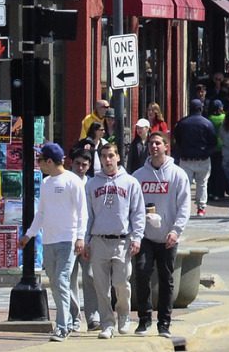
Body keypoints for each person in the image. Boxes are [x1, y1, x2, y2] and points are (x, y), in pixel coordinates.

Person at [19, 142, 87, 343]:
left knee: (61, 280)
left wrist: (80, 237)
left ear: (49, 161)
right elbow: (41, 213)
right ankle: (73, 316)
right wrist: (29, 235)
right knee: (56, 283)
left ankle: (62, 326)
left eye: (40, 159)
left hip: (68, 239)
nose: (38, 163)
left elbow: (82, 212)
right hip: (49, 240)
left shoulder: (72, 181)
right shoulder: (47, 183)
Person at [83, 142, 144, 339]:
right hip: (99, 239)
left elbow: (138, 213)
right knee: (101, 286)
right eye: (103, 156)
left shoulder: (130, 182)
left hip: (122, 240)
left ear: (118, 157)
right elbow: (87, 215)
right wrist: (85, 240)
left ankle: (124, 314)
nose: (107, 160)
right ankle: (107, 323)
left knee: (121, 282)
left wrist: (137, 237)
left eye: (111, 156)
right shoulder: (92, 184)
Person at [132, 132, 190, 338]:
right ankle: (144, 319)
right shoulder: (139, 176)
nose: (154, 146)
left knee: (166, 279)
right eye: (151, 143)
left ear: (166, 147)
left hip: (168, 236)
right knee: (141, 273)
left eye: (158, 143)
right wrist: (136, 232)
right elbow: (133, 206)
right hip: (145, 235)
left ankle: (164, 322)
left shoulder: (177, 175)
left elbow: (184, 207)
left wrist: (176, 231)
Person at [67, 150, 98, 333]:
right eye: (77, 163)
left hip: (88, 238)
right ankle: (73, 318)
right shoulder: (66, 182)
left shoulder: (92, 184)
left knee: (91, 277)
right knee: (69, 279)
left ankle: (93, 317)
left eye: (84, 165)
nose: (80, 168)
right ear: (71, 163)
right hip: (69, 237)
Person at [170, 99, 216, 217]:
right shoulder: (207, 123)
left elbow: (177, 140)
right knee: (202, 184)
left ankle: (183, 208)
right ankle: (201, 208)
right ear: (201, 108)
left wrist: (180, 152)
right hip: (203, 159)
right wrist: (208, 152)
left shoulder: (182, 123)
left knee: (185, 185)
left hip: (186, 159)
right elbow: (213, 141)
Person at [205, 100, 227, 201]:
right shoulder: (224, 118)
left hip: (211, 147)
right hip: (222, 146)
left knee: (211, 171)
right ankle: (220, 192)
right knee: (221, 171)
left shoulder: (209, 119)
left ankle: (210, 192)